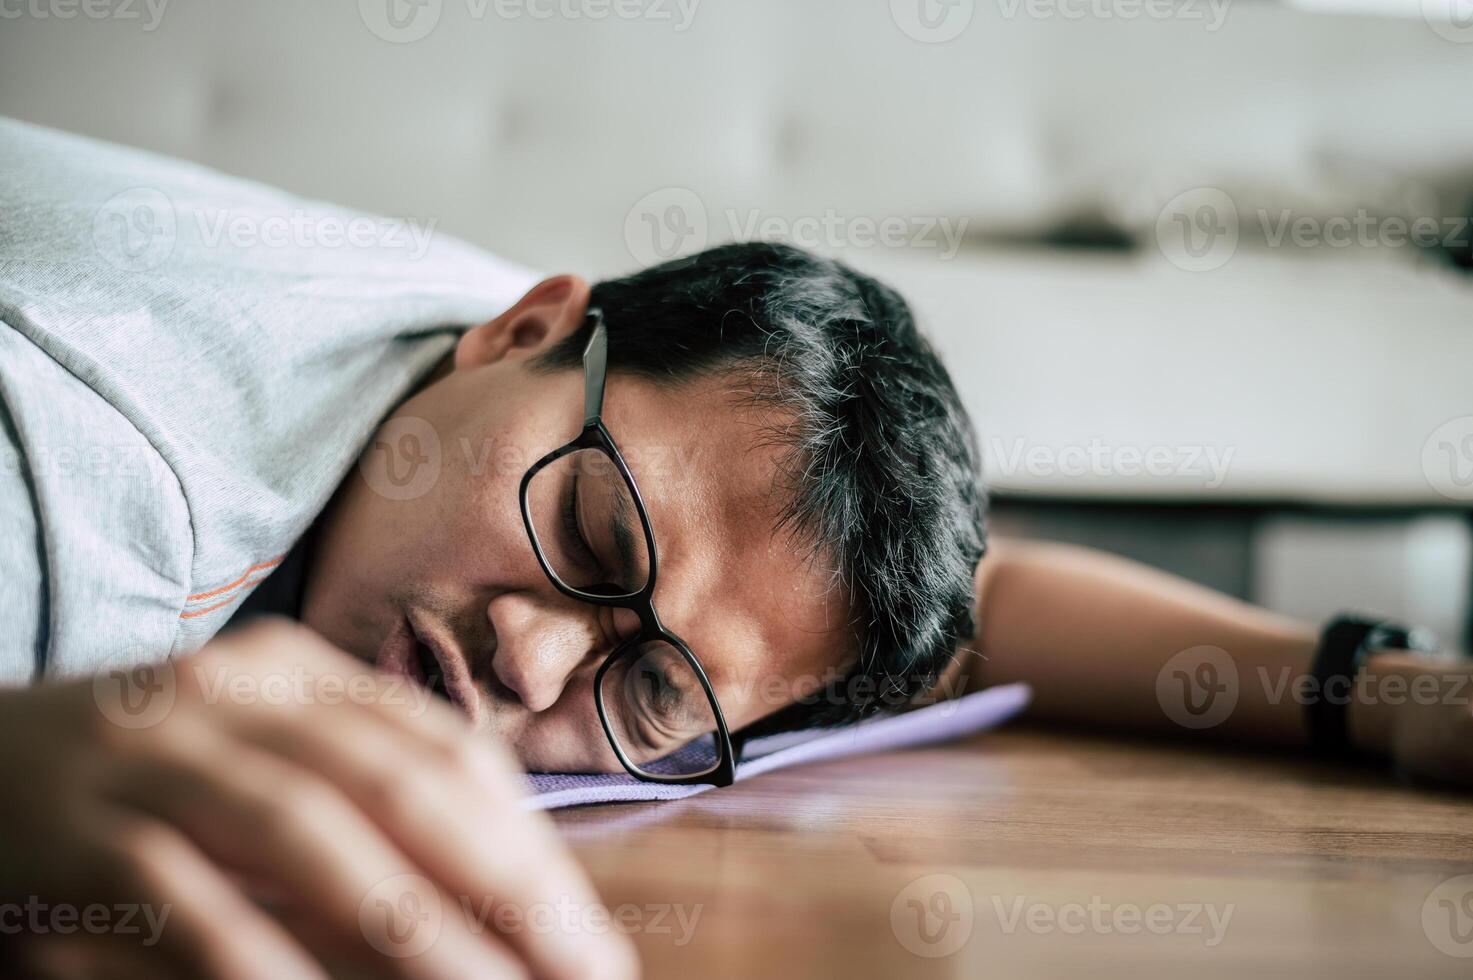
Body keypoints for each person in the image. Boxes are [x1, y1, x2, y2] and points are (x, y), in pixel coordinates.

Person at [2, 118, 1469, 978]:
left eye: (647, 696)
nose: (526, 655)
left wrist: (1389, 694)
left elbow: (983, 596)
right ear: (526, 327)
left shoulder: (527, 381)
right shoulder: (74, 513)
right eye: (586, 535)